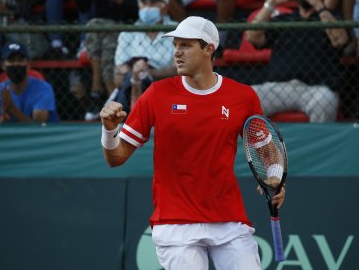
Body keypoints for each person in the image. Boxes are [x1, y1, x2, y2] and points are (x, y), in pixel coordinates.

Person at [99, 16, 286, 269]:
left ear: (209, 49)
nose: (177, 52)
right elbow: (116, 158)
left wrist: (274, 180)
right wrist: (110, 130)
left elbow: (267, 151)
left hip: (228, 219)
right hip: (175, 224)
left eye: (185, 45)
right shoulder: (157, 93)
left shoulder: (242, 97)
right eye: (176, 45)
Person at [246, 0, 352, 122]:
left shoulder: (331, 19)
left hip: (316, 89)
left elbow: (340, 40)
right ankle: (256, 142)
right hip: (279, 88)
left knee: (326, 100)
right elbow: (253, 37)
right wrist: (272, 2)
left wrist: (319, 5)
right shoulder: (284, 20)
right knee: (245, 99)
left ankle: (320, 143)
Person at [73, 0, 140, 121]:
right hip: (101, 31)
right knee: (96, 28)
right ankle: (112, 103)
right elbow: (84, 7)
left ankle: (96, 91)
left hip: (128, 28)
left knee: (100, 33)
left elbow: (139, 12)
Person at [113, 0, 177, 114]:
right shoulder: (127, 34)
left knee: (138, 80)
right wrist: (137, 74)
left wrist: (148, 73)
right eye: (143, 1)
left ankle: (131, 122)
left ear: (166, 6)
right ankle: (132, 122)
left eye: (153, 1)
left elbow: (178, 69)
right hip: (131, 84)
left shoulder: (178, 31)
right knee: (132, 81)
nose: (147, 6)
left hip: (165, 86)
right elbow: (118, 75)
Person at [0, 42, 59, 123]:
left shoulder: (43, 88)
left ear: (28, 63)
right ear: (3, 65)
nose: (16, 64)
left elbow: (39, 126)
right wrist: (3, 121)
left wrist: (12, 108)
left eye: (20, 60)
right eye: (11, 60)